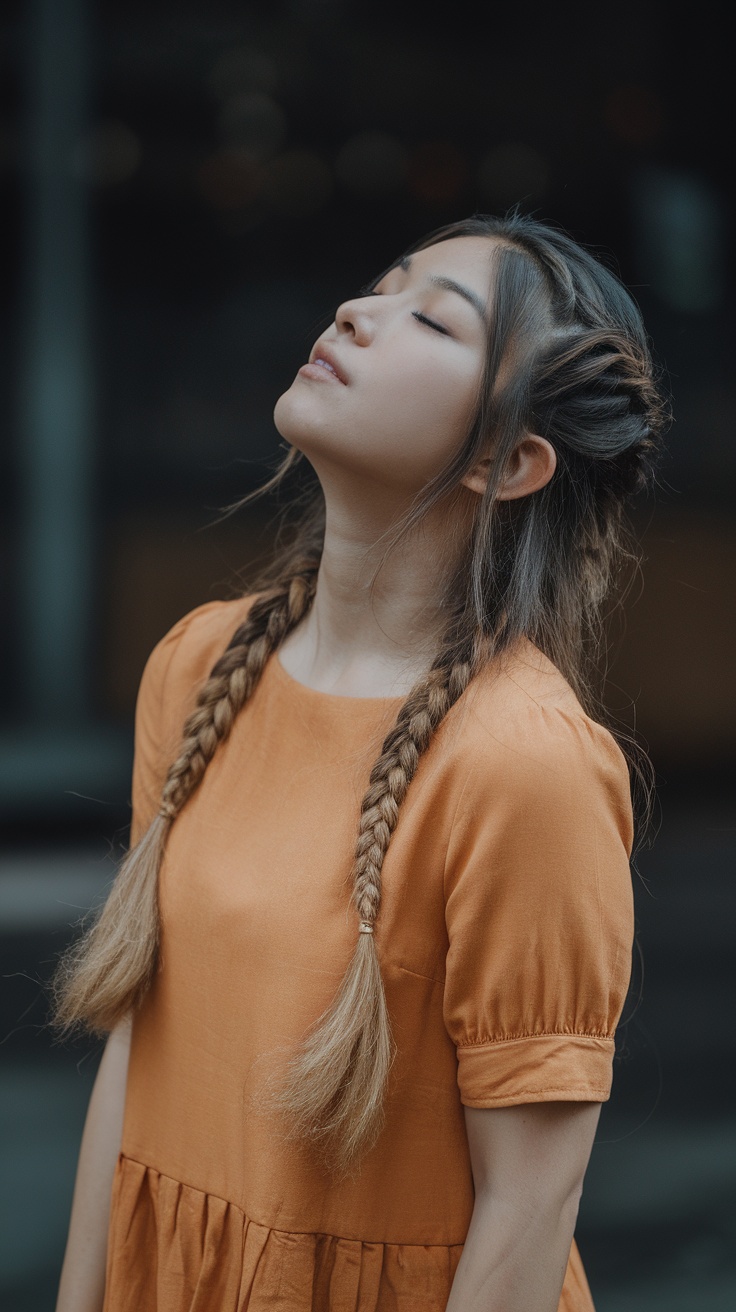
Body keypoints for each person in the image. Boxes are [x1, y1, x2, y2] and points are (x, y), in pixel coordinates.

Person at [53, 213, 665, 1312]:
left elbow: (531, 1206)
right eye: (379, 287)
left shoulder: (525, 767)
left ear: (506, 459)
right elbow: (135, 1054)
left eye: (430, 317)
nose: (354, 312)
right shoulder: (198, 666)